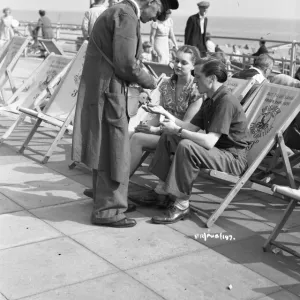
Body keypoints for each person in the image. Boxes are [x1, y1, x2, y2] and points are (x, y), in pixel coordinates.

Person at [72, 0, 179, 229]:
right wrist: (150, 82)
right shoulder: (127, 15)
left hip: (104, 88)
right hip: (111, 93)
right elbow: (127, 64)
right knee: (115, 151)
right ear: (153, 2)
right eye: (157, 13)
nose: (154, 19)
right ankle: (109, 210)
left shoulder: (118, 11)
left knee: (105, 149)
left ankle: (109, 201)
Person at [144, 59, 251, 224]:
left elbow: (208, 142)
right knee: (169, 137)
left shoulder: (225, 101)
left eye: (198, 77)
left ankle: (181, 205)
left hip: (232, 158)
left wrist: (178, 130)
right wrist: (164, 113)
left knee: (187, 146)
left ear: (211, 79)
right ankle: (161, 192)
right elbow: (190, 127)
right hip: (219, 152)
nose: (194, 80)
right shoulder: (211, 98)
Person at [129, 45, 203, 180]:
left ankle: (118, 184)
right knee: (130, 132)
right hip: (164, 133)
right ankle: (114, 179)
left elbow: (186, 126)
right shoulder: (167, 85)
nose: (178, 65)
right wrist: (149, 127)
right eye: (176, 60)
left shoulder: (196, 91)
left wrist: (155, 130)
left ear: (193, 66)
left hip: (181, 138)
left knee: (137, 138)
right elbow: (159, 114)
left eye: (184, 62)